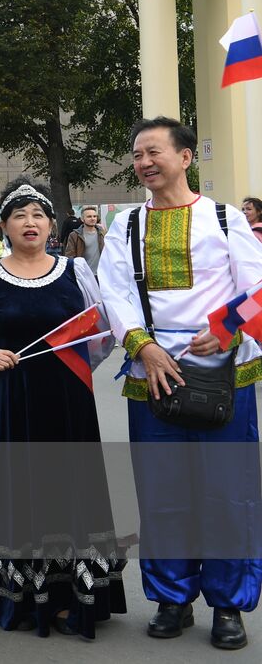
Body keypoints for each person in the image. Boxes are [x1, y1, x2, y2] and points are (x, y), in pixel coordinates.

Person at [98, 117, 262, 651]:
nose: (144, 162)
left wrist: (227, 328)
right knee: (162, 493)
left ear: (186, 156)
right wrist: (142, 346)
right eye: (137, 154)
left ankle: (228, 604)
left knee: (226, 493)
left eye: (154, 151)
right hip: (153, 377)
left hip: (222, 375)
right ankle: (172, 597)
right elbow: (114, 292)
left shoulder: (225, 218)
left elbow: (257, 287)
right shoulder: (125, 225)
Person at [0, 179, 126, 637]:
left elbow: (100, 330)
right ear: (3, 225)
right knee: (13, 489)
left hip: (66, 398)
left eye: (38, 215)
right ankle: (12, 594)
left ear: (51, 223)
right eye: (19, 215)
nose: (29, 223)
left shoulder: (75, 271)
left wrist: (73, 365)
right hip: (7, 399)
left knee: (66, 487)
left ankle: (71, 595)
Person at [63, 205, 107, 273]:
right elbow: (70, 256)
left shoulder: (102, 233)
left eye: (94, 216)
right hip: (84, 274)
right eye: (89, 216)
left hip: (102, 274)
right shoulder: (74, 235)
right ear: (82, 219)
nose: (92, 218)